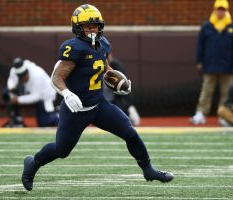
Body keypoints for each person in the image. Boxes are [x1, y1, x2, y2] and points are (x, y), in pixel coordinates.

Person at [21, 4, 174, 191]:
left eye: (95, 25)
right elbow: (56, 77)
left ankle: (148, 169)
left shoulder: (103, 44)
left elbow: (103, 66)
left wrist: (117, 80)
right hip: (76, 109)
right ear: (78, 27)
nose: (93, 29)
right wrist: (67, 93)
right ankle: (33, 163)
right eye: (88, 26)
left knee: (130, 133)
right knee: (62, 150)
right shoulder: (73, 48)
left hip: (98, 105)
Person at [190, 0, 233, 125]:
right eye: (219, 8)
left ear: (226, 10)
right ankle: (201, 113)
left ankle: (224, 116)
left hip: (227, 66)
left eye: (223, 9)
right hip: (210, 64)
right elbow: (200, 45)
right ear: (214, 9)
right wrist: (199, 61)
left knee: (226, 92)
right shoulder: (207, 26)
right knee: (207, 90)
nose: (220, 11)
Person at [3, 57, 59, 127]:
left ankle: (57, 115)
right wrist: (12, 93)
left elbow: (36, 96)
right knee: (6, 92)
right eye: (21, 77)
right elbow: (11, 81)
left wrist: (18, 99)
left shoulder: (37, 76)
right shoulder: (14, 70)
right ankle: (16, 119)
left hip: (46, 96)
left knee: (44, 123)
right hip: (28, 91)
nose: (24, 78)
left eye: (24, 75)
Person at [103, 52, 141, 126]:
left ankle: (129, 113)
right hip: (106, 99)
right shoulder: (96, 67)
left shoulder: (115, 65)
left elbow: (122, 86)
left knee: (124, 122)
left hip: (119, 99)